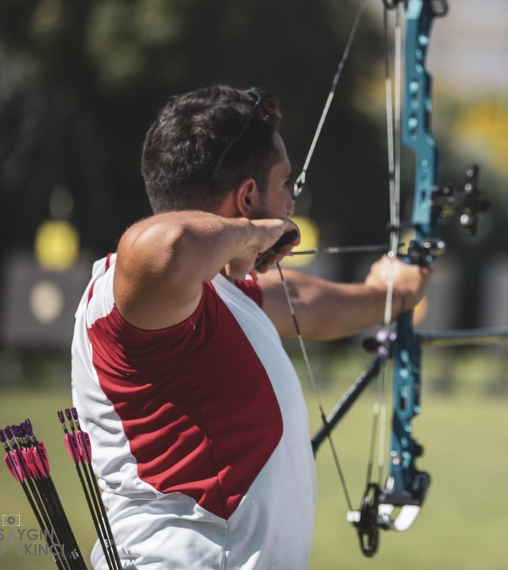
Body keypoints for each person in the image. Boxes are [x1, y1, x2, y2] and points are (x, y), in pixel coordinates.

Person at [70, 85, 431, 569]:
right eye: (287, 185)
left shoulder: (217, 293)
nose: (290, 204)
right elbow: (165, 243)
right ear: (247, 197)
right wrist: (256, 234)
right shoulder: (129, 289)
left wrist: (395, 293)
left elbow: (303, 301)